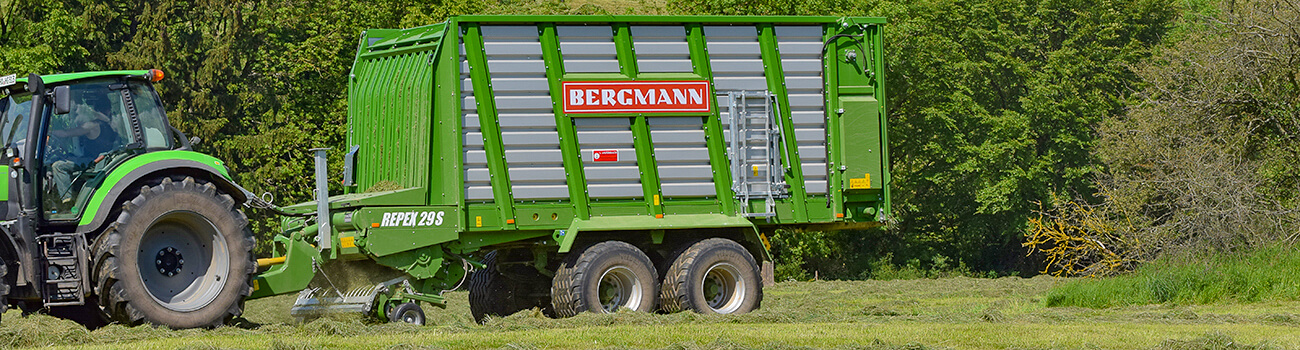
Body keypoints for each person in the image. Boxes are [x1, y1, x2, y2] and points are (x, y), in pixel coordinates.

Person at [49, 92, 119, 203]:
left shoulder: (92, 125)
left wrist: (48, 132)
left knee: (58, 166)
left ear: (96, 110)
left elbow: (66, 133)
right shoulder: (112, 125)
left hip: (92, 162)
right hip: (104, 160)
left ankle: (67, 201)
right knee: (69, 158)